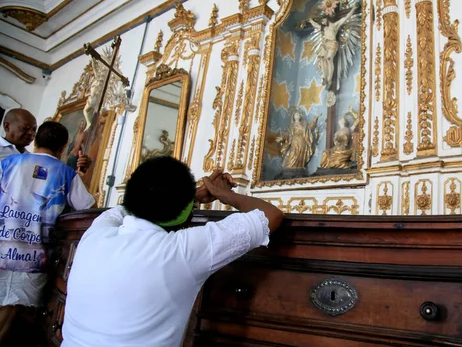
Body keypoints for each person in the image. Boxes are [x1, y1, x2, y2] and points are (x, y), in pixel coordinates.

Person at [62, 156, 285, 347]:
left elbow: (120, 209)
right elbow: (271, 215)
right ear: (185, 212)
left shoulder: (96, 233)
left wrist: (189, 196)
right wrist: (222, 194)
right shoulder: (179, 252)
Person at [0, 121, 96, 344]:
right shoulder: (65, 173)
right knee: (9, 310)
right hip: (32, 258)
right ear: (63, 147)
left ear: (35, 141)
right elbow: (89, 211)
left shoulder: (8, 163)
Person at [1, 109, 91, 172]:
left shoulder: (31, 158)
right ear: (7, 126)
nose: (31, 133)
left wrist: (80, 167)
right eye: (25, 128)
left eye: (33, 129)